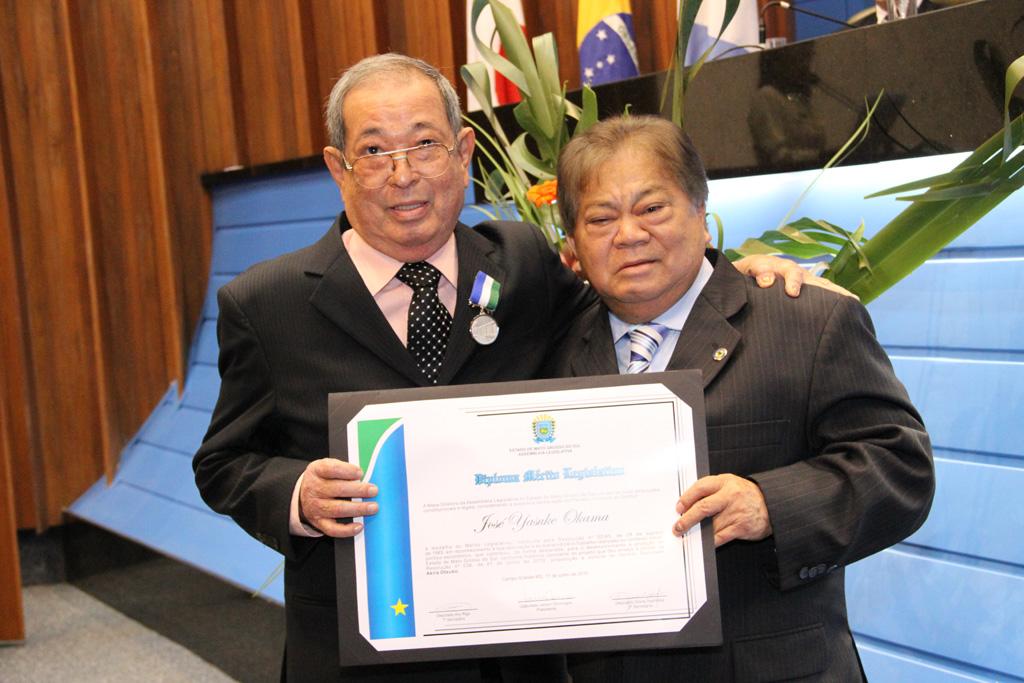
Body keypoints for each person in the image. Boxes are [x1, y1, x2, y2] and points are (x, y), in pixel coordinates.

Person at [193, 53, 824, 682]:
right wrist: (298, 495)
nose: (403, 174)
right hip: (357, 657)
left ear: (463, 152)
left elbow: (624, 302)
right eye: (375, 151)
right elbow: (224, 463)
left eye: (425, 144)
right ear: (340, 168)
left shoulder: (522, 263)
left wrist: (734, 277)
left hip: (519, 659)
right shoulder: (266, 303)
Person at [546, 115, 935, 682]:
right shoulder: (551, 345)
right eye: (600, 218)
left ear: (702, 217)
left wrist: (769, 503)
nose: (628, 234)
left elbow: (902, 469)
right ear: (573, 248)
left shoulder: (808, 321)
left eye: (652, 208)